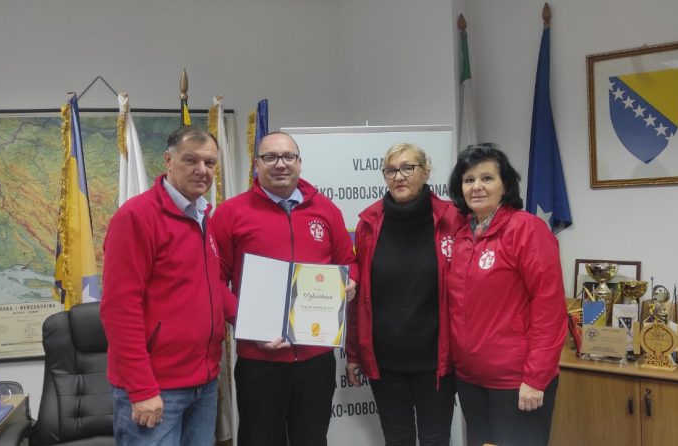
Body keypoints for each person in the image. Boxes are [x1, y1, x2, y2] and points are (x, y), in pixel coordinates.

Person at [211, 131, 358, 446]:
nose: (280, 164)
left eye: (288, 156)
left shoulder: (326, 210)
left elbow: (348, 261)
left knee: (312, 439)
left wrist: (351, 283)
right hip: (259, 360)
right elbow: (215, 280)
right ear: (257, 164)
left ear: (299, 162)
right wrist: (246, 322)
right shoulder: (230, 213)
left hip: (316, 358)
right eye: (270, 157)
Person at [101, 126, 236, 445]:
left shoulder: (203, 216)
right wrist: (142, 388)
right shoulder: (137, 217)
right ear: (168, 161)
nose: (202, 170)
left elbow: (210, 288)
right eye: (191, 160)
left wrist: (253, 322)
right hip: (156, 389)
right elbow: (119, 309)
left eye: (210, 163)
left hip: (203, 384)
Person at [445, 143, 568, 446]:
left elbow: (549, 307)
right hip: (471, 381)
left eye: (487, 178)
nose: (476, 186)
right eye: (469, 179)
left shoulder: (526, 229)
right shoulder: (461, 237)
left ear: (506, 186)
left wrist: (535, 378)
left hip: (517, 382)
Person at [345, 143, 465, 446]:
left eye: (408, 168)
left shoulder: (454, 219)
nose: (399, 176)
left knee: (436, 440)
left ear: (426, 171)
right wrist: (354, 353)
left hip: (436, 361)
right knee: (396, 440)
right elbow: (359, 296)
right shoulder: (369, 223)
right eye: (391, 170)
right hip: (386, 362)